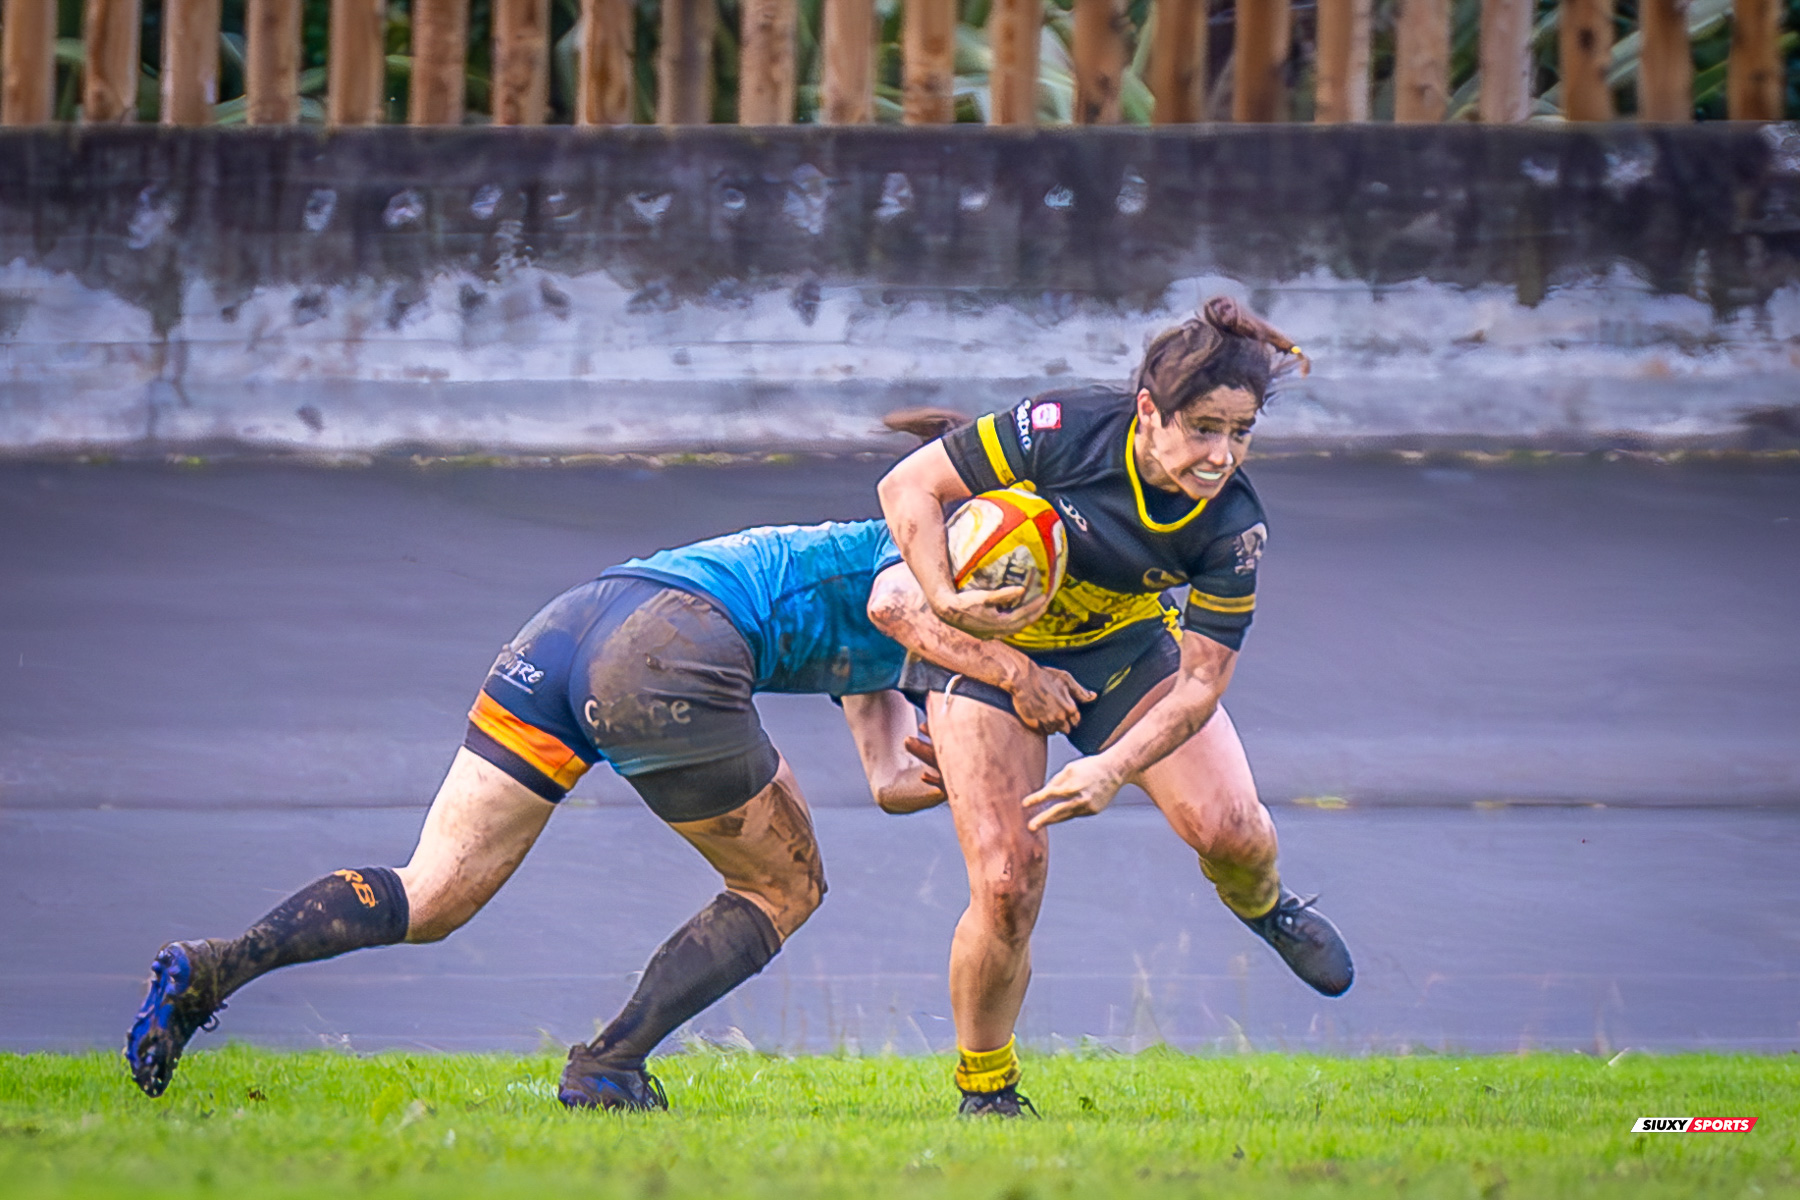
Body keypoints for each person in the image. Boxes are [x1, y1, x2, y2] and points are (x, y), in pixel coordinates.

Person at [125, 517, 1090, 1110]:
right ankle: (609, 1065)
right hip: (667, 645)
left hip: (571, 626)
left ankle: (212, 968)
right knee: (785, 886)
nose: (1013, 611)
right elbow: (894, 608)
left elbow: (886, 779)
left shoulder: (898, 628)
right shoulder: (917, 568)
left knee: (434, 893)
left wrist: (971, 781)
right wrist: (1017, 674)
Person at [873, 297, 1355, 1117]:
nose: (1221, 456)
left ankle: (1266, 906)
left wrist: (1111, 768)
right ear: (1148, 412)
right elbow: (907, 484)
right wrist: (951, 604)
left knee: (1234, 833)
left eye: (1240, 434)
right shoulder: (1066, 428)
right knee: (1007, 880)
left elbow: (1200, 684)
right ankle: (988, 1092)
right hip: (991, 645)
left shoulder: (1232, 527)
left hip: (1120, 647)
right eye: (1203, 428)